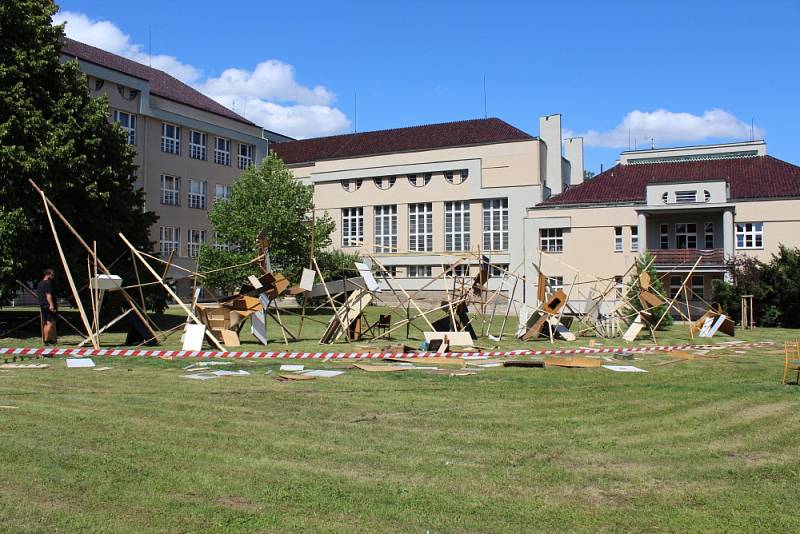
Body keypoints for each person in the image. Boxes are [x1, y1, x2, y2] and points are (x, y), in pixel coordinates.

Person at [37, 268, 57, 345]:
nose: (53, 276)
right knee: (50, 322)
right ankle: (46, 340)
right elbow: (48, 295)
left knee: (46, 323)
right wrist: (51, 305)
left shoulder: (40, 283)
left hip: (42, 305)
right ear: (48, 274)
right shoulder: (48, 283)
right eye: (52, 275)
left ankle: (47, 339)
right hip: (48, 305)